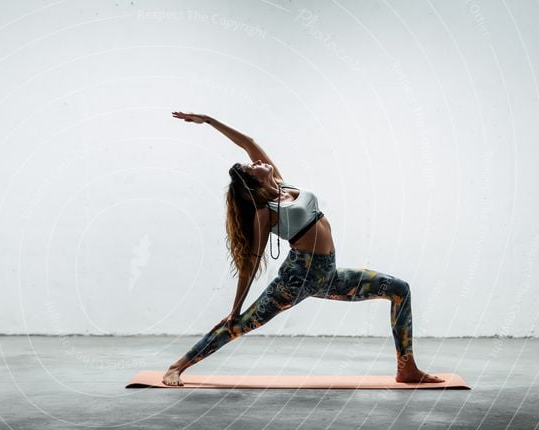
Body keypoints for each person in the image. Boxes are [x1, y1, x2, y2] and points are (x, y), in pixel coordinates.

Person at [162, 111, 443, 387]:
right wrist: (235, 308)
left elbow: (248, 142)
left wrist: (209, 121)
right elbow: (250, 263)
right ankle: (178, 366)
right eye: (253, 167)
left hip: (328, 276)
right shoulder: (265, 212)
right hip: (296, 281)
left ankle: (407, 369)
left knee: (399, 289)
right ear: (254, 185)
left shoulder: (284, 185)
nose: (258, 162)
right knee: (238, 325)